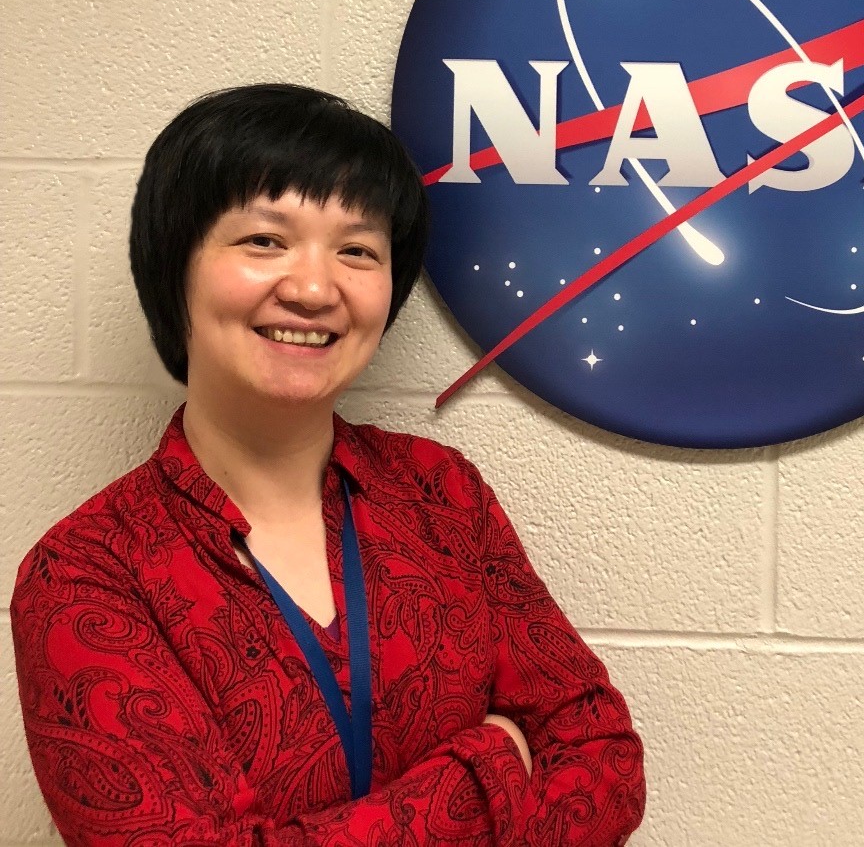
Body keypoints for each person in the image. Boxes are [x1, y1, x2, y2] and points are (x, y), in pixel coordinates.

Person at [9, 84, 645, 845]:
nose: (314, 289)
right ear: (174, 266)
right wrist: (484, 772)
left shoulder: (442, 494)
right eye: (263, 241)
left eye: (357, 251)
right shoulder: (85, 574)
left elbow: (604, 760)